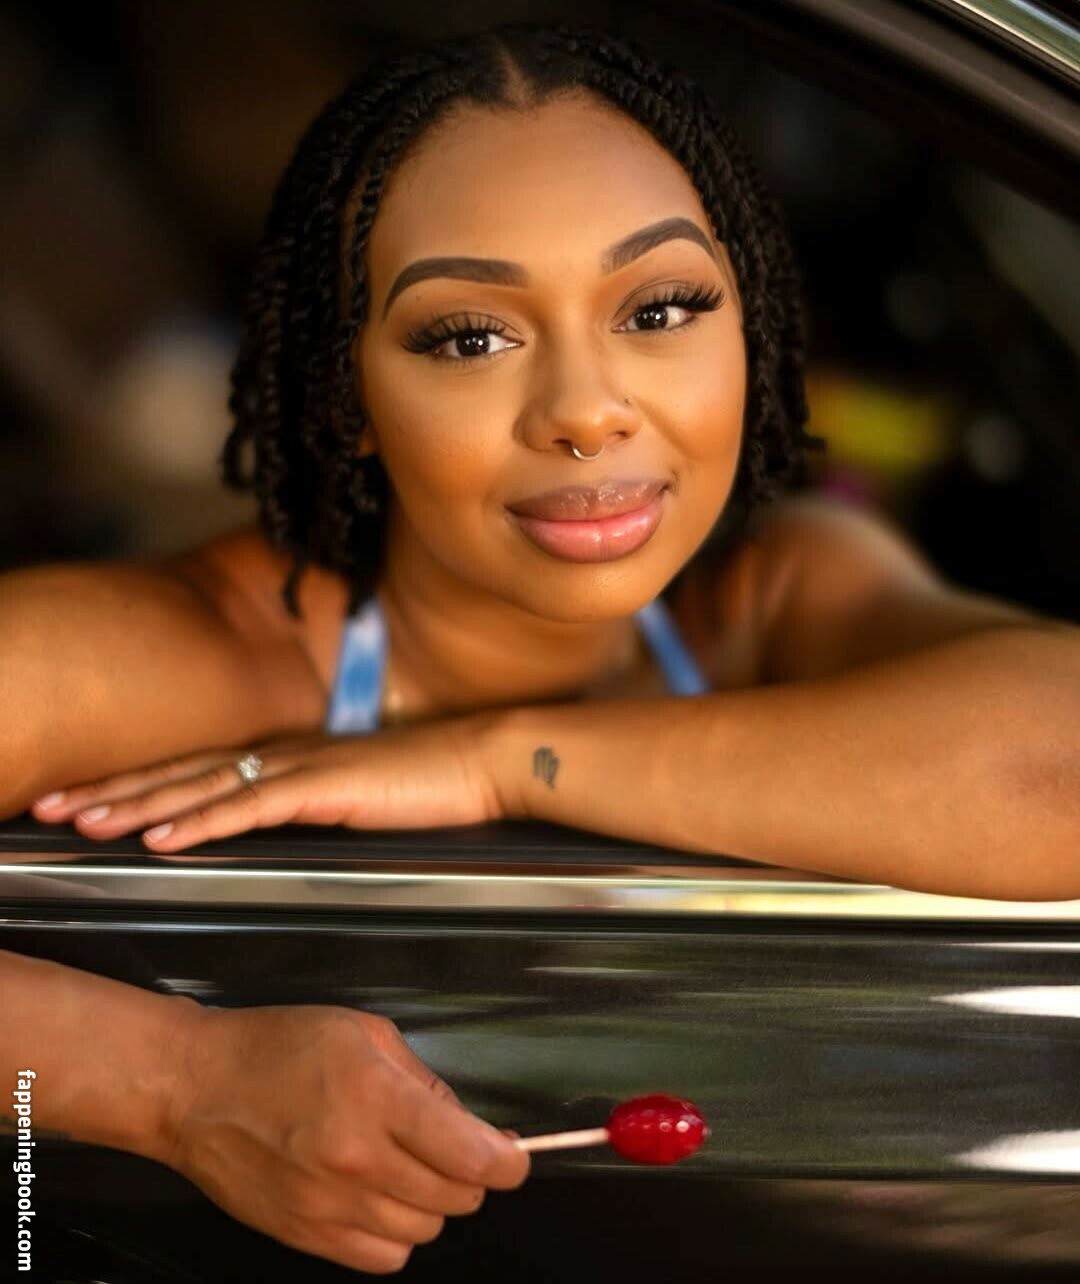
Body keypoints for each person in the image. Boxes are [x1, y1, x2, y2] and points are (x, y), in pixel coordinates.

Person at [1, 21, 1077, 1275]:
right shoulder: (180, 656)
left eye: (660, 308)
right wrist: (171, 1084)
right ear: (347, 396)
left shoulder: (773, 592)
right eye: (469, 336)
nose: (585, 410)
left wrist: (501, 760)